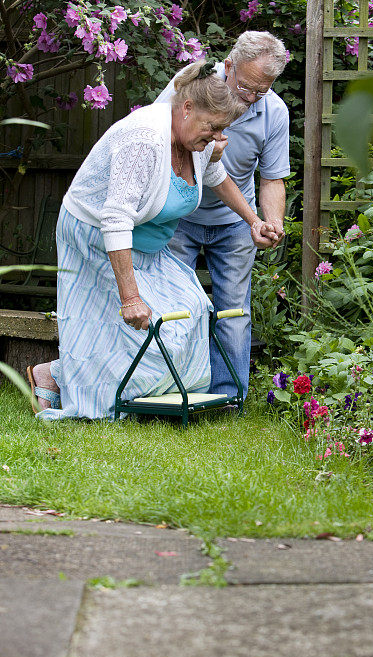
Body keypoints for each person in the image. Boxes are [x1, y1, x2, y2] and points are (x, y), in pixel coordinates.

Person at [27, 59, 277, 420]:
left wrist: (254, 220)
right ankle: (67, 381)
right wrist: (131, 297)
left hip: (147, 245)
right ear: (187, 107)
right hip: (97, 236)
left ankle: (55, 372)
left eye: (224, 131)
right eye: (214, 129)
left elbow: (216, 175)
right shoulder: (144, 140)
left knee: (187, 314)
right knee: (124, 327)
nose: (220, 139)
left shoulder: (200, 138)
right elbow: (115, 218)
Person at [155, 31, 289, 401]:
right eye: (245, 87)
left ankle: (229, 398)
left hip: (234, 223)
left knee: (233, 312)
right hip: (179, 213)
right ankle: (167, 390)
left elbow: (272, 178)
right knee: (173, 305)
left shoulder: (274, 112)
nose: (250, 99)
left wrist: (269, 222)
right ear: (228, 66)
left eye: (260, 92)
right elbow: (156, 141)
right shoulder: (190, 86)